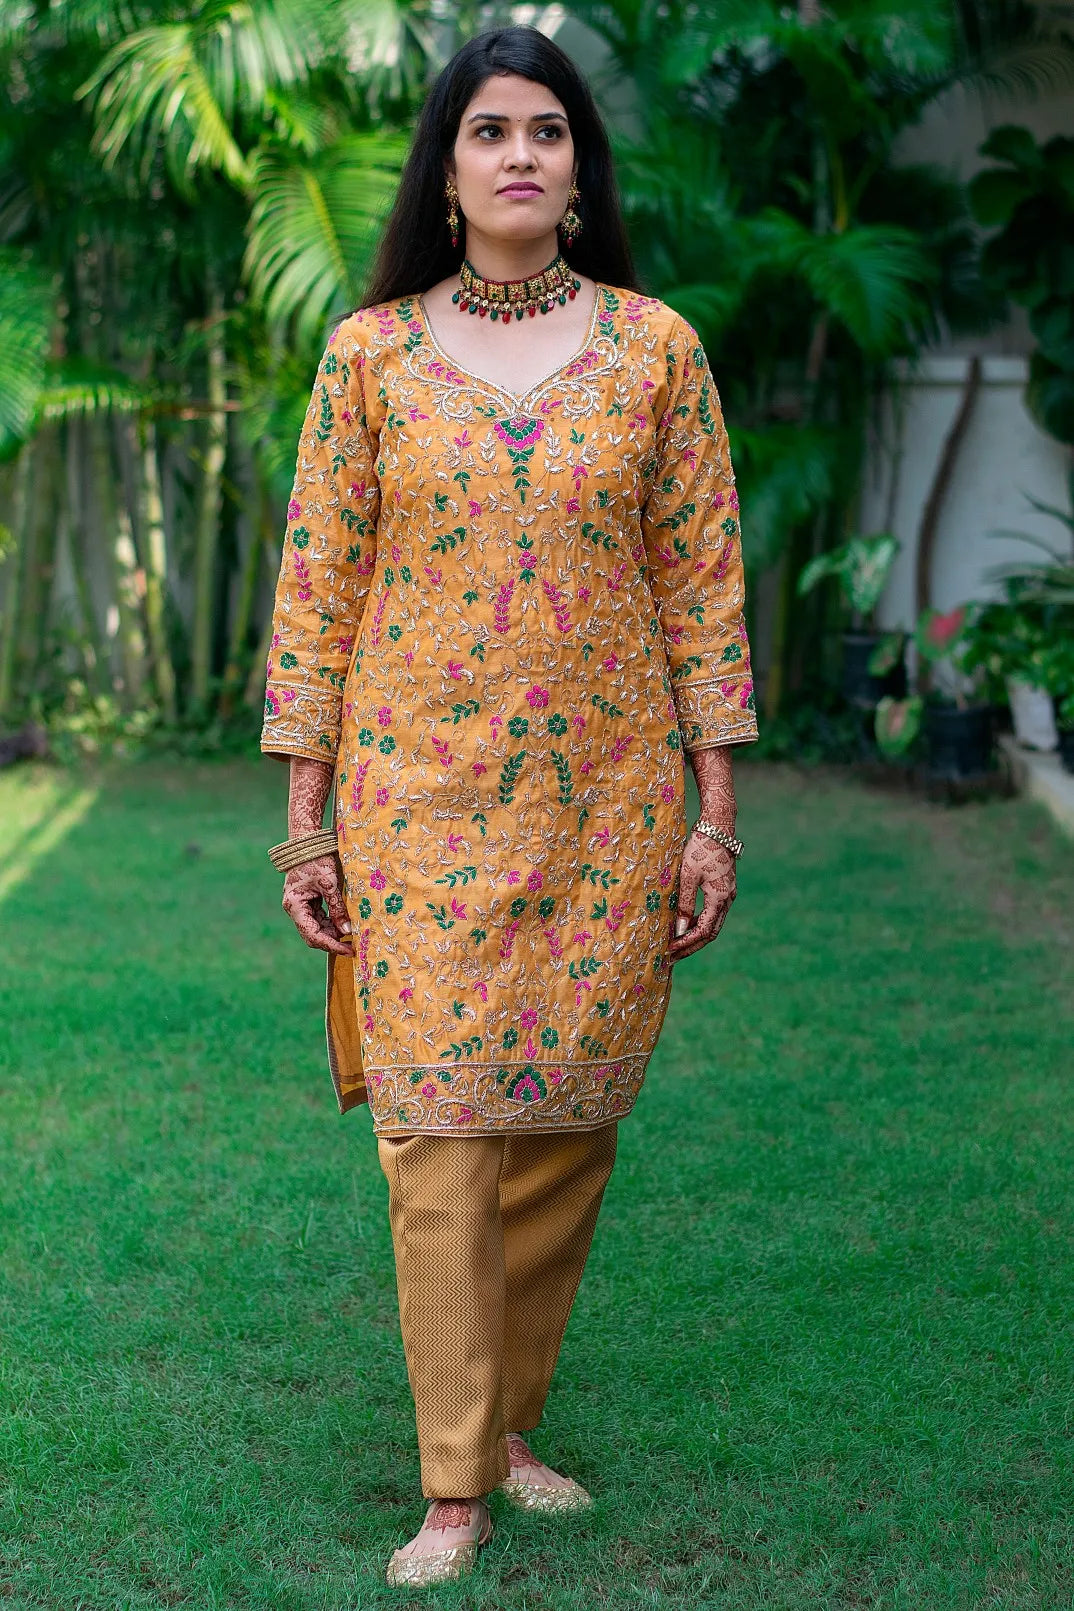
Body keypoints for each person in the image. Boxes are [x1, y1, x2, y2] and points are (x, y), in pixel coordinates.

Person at [260, 23, 758, 1588]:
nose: (520, 154)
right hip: (411, 803)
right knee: (435, 1136)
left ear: (579, 169)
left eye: (545, 129)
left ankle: (506, 1428)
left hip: (604, 805)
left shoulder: (656, 353)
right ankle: (452, 1487)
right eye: (488, 131)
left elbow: (700, 587)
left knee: (560, 1132)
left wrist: (711, 814)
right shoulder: (367, 357)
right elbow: (318, 588)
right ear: (448, 169)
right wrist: (306, 817)